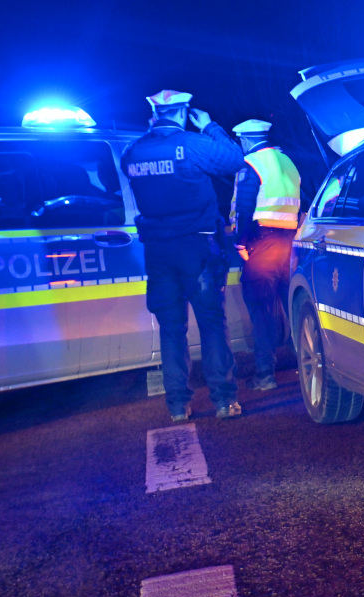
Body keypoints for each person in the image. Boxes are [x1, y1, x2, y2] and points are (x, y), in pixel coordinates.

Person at [120, 90, 245, 421]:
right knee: (211, 324)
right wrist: (210, 127)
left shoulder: (132, 151)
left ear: (155, 113)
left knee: (171, 328)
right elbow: (235, 160)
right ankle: (223, 401)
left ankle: (177, 405)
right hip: (197, 249)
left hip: (158, 253)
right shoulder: (191, 144)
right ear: (184, 112)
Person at [230, 119, 301, 391]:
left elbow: (244, 209)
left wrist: (240, 242)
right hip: (291, 244)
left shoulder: (251, 164)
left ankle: (265, 375)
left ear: (245, 140)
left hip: (263, 245)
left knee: (261, 309)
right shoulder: (287, 162)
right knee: (293, 306)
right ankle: (305, 367)